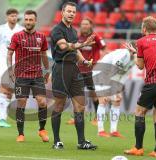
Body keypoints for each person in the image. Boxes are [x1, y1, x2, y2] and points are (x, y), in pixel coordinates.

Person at [124, 16, 156, 158]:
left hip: (154, 82)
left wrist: (134, 54)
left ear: (144, 28)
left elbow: (140, 66)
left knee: (139, 112)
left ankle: (138, 148)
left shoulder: (141, 41)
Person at [50, 2, 97, 150]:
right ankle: (57, 141)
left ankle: (81, 141)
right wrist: (82, 45)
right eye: (68, 11)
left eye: (73, 12)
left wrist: (83, 61)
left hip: (74, 70)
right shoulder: (57, 30)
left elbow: (75, 51)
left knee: (80, 106)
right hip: (61, 68)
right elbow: (64, 47)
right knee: (59, 105)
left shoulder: (73, 31)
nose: (71, 14)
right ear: (63, 12)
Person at [7, 10, 50, 143]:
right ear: (24, 20)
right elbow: (9, 54)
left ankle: (42, 130)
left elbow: (44, 55)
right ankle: (21, 134)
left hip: (37, 75)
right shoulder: (16, 36)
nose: (28, 22)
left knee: (42, 102)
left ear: (35, 21)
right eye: (26, 20)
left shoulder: (41, 37)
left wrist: (47, 70)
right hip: (21, 75)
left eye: (31, 20)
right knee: (21, 102)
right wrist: (10, 69)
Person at [67, 17, 106, 126]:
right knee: (75, 94)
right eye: (82, 24)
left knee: (93, 93)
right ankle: (75, 117)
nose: (84, 26)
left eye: (86, 24)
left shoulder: (96, 36)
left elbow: (104, 48)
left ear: (91, 25)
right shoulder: (77, 37)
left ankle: (97, 117)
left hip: (92, 70)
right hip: (78, 69)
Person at [95, 44, 135, 138]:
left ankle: (113, 131)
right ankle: (100, 131)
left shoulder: (134, 59)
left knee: (117, 101)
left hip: (112, 77)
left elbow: (124, 75)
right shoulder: (123, 55)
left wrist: (118, 91)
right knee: (103, 100)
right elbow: (111, 70)